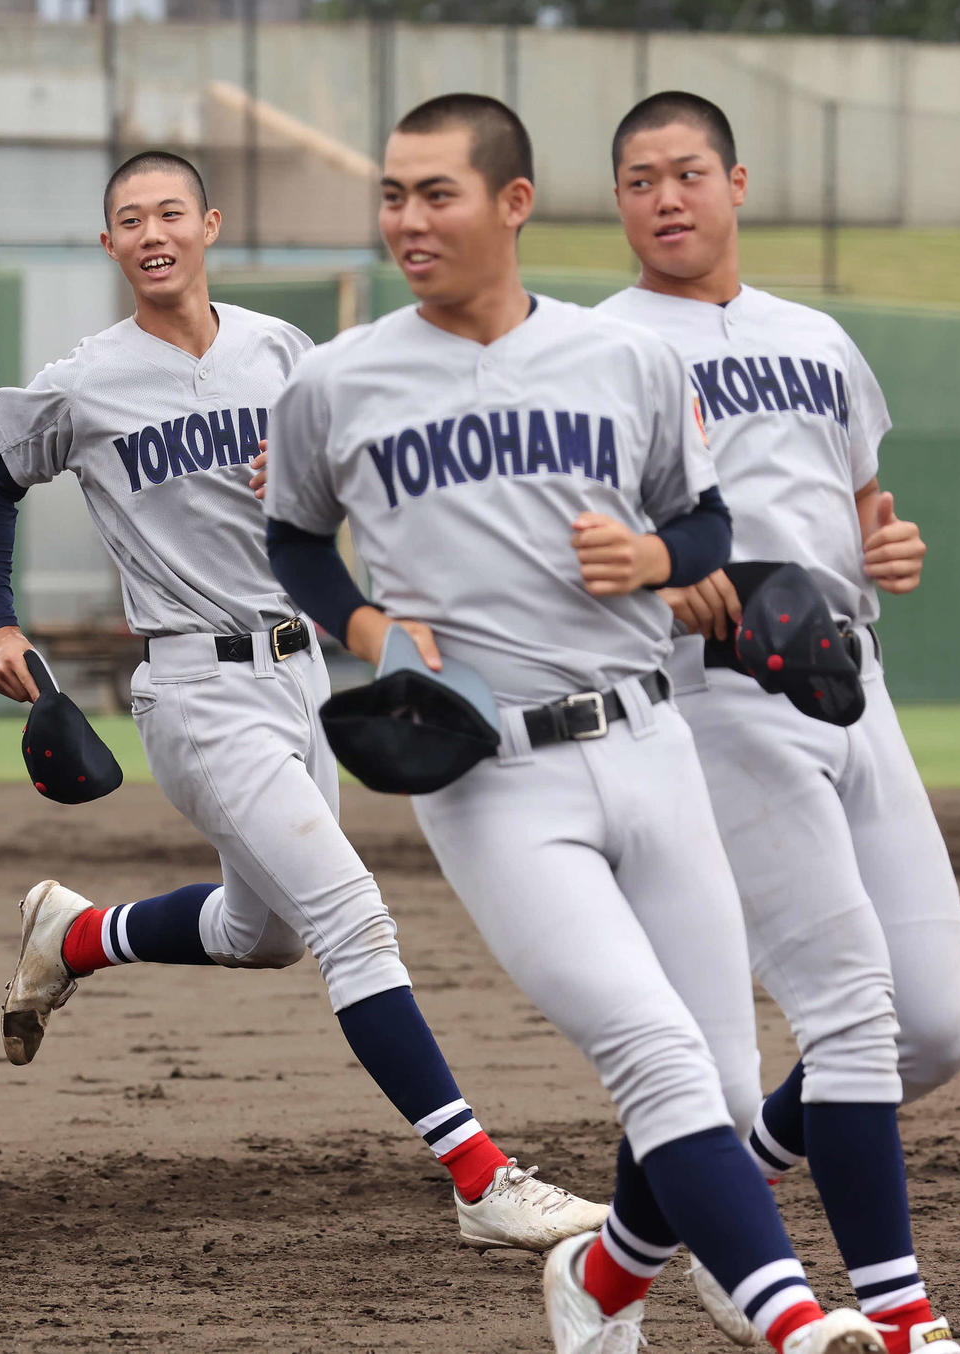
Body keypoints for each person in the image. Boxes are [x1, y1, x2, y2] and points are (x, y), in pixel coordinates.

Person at [265, 91, 885, 1354]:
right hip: (491, 775)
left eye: (435, 193)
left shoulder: (628, 358)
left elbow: (704, 529)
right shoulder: (337, 380)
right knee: (653, 1049)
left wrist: (654, 554)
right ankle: (793, 1323)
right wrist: (368, 625)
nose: (406, 219)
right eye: (391, 194)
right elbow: (290, 539)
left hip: (652, 744)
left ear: (512, 202)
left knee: (714, 1079)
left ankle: (601, 1281)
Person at [0, 148, 608, 1254]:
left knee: (259, 934)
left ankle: (72, 937)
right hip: (196, 692)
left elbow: (337, 481)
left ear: (209, 224)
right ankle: (479, 1176)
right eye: (129, 218)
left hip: (300, 673)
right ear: (108, 243)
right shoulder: (85, 380)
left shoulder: (278, 349)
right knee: (354, 919)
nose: (153, 230)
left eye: (171, 210)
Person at [596, 91, 960, 1354]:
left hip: (852, 685)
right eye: (642, 178)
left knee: (934, 1026)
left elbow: (862, 505)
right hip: (721, 694)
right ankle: (900, 1314)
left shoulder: (815, 336)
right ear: (619, 203)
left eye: (687, 171)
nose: (667, 196)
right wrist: (661, 569)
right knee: (851, 1010)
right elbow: (574, 541)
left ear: (736, 182)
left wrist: (891, 543)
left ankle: (638, 1240)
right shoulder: (595, 349)